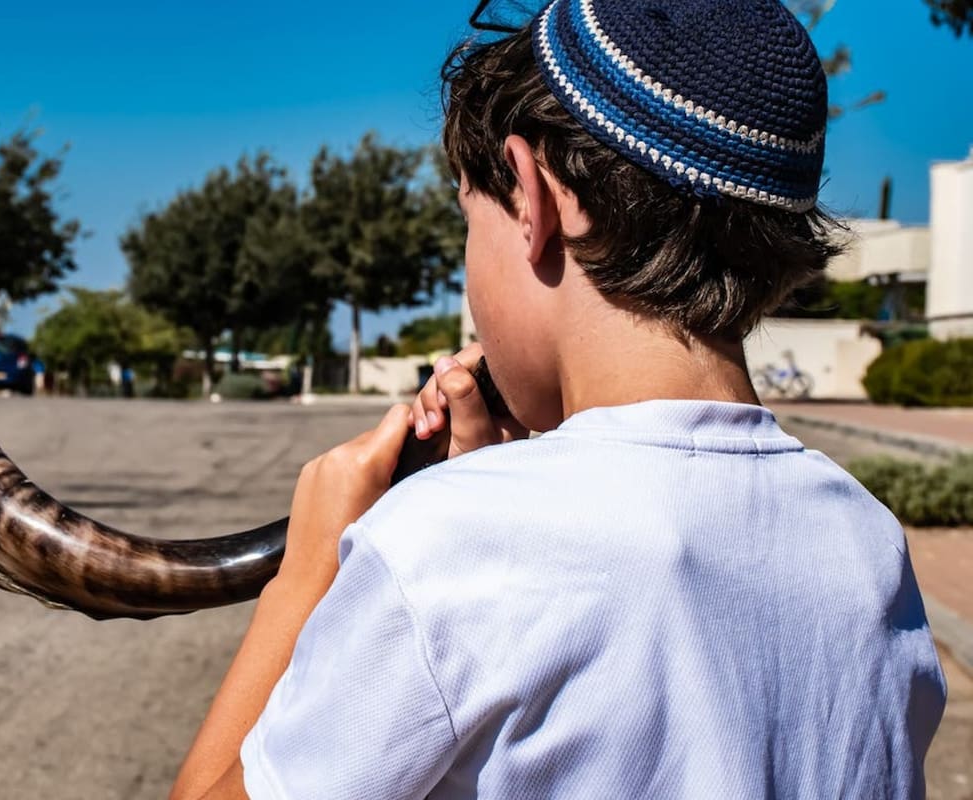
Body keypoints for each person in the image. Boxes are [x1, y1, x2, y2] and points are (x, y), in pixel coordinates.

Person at [170, 1, 947, 797]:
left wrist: (305, 576)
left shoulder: (447, 545)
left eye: (470, 221)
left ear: (535, 196)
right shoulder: (865, 545)